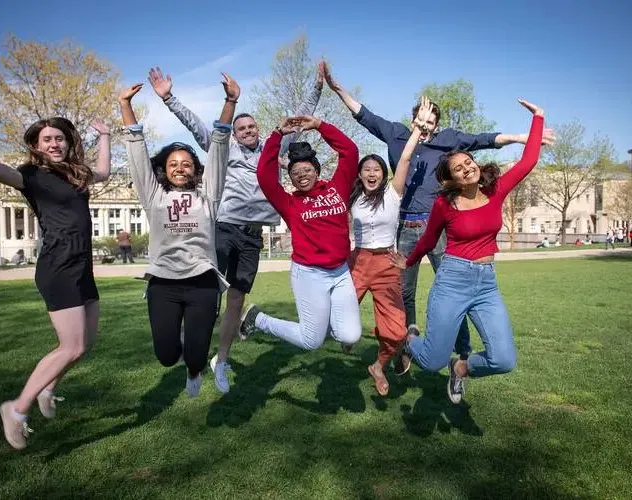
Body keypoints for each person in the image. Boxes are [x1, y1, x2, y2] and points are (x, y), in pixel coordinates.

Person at [323, 63, 556, 385]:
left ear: (438, 124)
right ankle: (408, 340)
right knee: (404, 291)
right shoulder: (396, 135)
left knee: (453, 297)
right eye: (423, 120)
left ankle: (461, 353)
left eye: (432, 122)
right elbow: (364, 114)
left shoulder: (449, 143)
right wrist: (337, 89)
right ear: (414, 118)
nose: (428, 127)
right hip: (405, 226)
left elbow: (484, 140)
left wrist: (521, 136)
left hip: (448, 226)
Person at [147, 64, 324, 393]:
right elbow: (199, 126)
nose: (247, 131)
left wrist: (316, 88)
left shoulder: (273, 152)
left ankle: (222, 360)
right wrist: (168, 98)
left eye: (251, 126)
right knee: (208, 292)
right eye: (241, 127)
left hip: (253, 235)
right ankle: (185, 337)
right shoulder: (222, 151)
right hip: (224, 229)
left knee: (237, 301)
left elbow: (297, 122)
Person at [0, 81, 111, 450]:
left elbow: (104, 172)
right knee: (70, 346)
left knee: (85, 344)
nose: (54, 143)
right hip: (58, 264)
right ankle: (16, 409)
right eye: (47, 139)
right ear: (36, 146)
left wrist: (106, 137)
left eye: (59, 138)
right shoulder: (30, 176)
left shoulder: (77, 173)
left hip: (82, 265)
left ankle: (50, 386)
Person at [390, 98, 547, 404]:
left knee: (504, 360)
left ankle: (461, 367)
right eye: (458, 168)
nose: (467, 168)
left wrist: (538, 118)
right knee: (432, 361)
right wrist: (406, 260)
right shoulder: (443, 205)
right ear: (450, 179)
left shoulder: (496, 190)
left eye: (468, 163)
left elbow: (528, 161)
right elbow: (426, 241)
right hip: (452, 281)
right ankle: (409, 341)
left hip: (486, 284)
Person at [118, 74, 235, 399]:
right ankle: (184, 353)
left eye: (186, 163)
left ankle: (195, 369)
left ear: (196, 169)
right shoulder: (153, 196)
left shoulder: (208, 195)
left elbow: (220, 148)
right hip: (163, 283)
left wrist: (230, 103)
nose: (180, 168)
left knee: (196, 357)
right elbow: (138, 156)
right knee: (167, 355)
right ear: (165, 169)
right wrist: (125, 106)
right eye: (173, 164)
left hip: (202, 283)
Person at [239, 115, 361, 352]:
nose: (302, 175)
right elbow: (264, 175)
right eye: (295, 173)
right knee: (311, 341)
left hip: (340, 272)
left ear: (316, 170)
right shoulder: (289, 203)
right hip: (309, 274)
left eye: (307, 170)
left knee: (351, 335)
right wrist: (277, 134)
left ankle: (322, 321)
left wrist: (320, 126)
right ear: (291, 178)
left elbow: (350, 151)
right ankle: (259, 319)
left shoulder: (337, 188)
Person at [343, 97, 435, 395]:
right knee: (339, 319)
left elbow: (406, 159)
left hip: (386, 263)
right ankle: (348, 334)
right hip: (356, 263)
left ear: (384, 174)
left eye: (377, 170)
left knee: (396, 332)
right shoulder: (351, 196)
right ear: (359, 174)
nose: (371, 173)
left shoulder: (394, 194)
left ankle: (378, 366)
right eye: (366, 169)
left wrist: (418, 130)